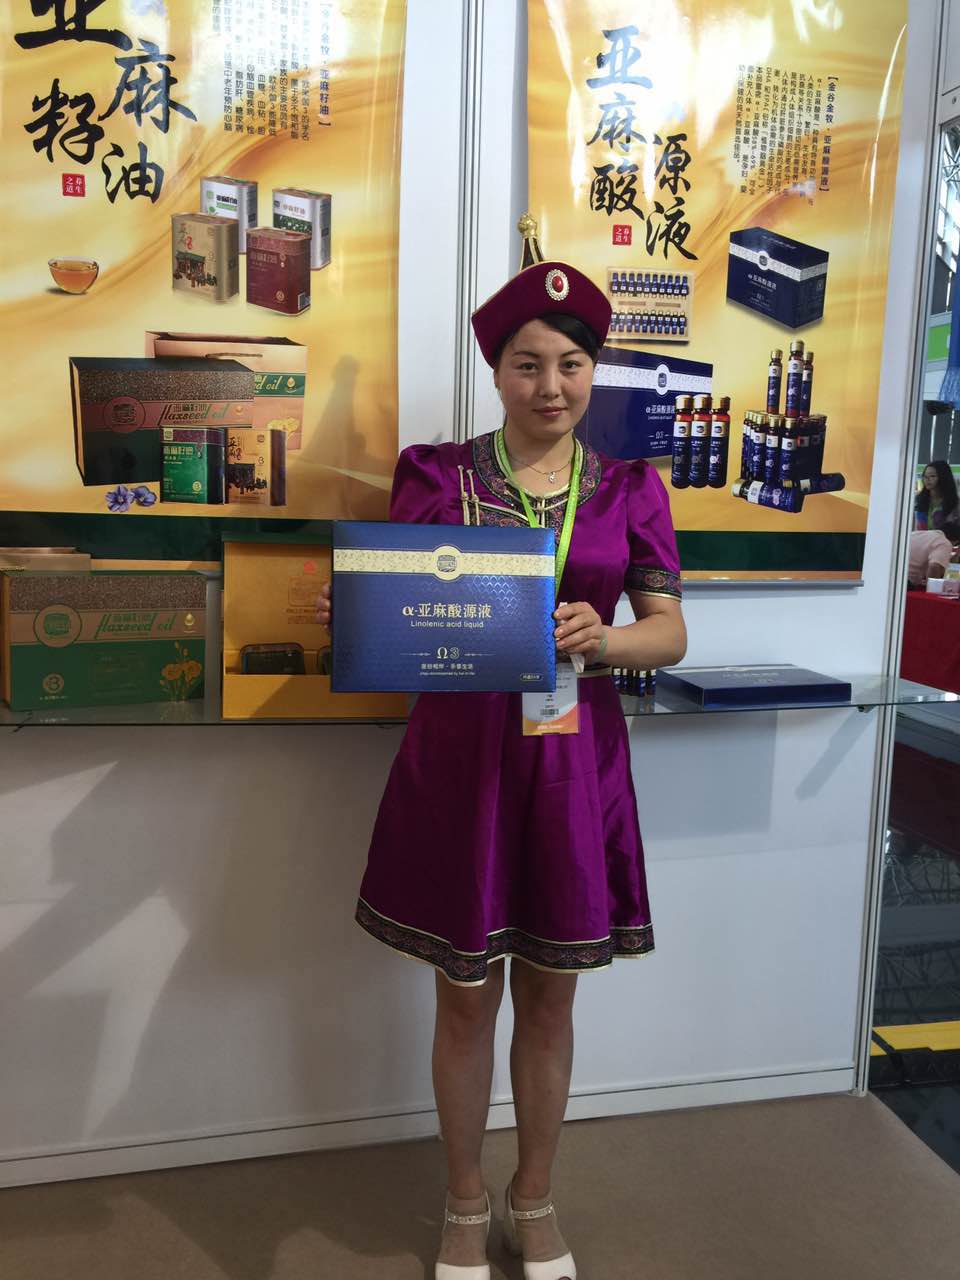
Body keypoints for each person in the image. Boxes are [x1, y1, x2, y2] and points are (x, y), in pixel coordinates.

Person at [316, 238, 686, 1280]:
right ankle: (465, 1202)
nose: (551, 386)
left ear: (594, 369)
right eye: (528, 364)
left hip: (573, 767)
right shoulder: (435, 476)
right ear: (496, 370)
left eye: (571, 364)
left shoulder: (630, 488)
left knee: (553, 995)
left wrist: (604, 638)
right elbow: (396, 604)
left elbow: (669, 631)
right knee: (466, 995)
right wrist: (357, 614)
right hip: (464, 765)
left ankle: (536, 1196)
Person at [915, 460, 960, 531]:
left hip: (947, 537)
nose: (927, 479)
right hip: (921, 537)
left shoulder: (955, 502)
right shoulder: (919, 500)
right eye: (925, 476)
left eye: (932, 476)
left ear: (943, 477)